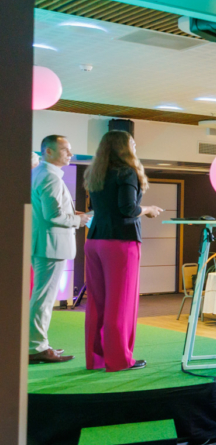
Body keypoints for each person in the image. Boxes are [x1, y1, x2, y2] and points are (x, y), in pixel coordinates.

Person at [83, 130, 163, 372]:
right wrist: (148, 209)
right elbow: (128, 209)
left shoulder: (95, 174)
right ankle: (119, 360)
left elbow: (98, 207)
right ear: (124, 148)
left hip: (95, 240)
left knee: (97, 302)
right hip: (120, 243)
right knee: (121, 303)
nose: (135, 147)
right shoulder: (127, 172)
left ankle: (96, 359)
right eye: (132, 144)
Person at [30, 135, 91, 364]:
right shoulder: (49, 176)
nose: (70, 154)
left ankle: (36, 345)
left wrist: (73, 215)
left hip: (44, 243)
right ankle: (36, 347)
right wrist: (79, 220)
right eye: (65, 150)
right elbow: (53, 215)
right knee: (43, 300)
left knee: (41, 298)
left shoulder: (40, 173)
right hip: (50, 245)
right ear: (48, 151)